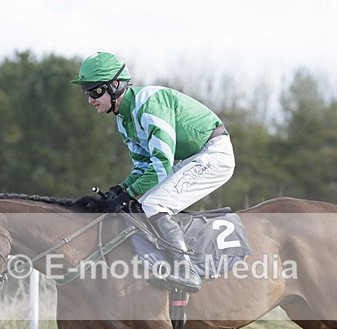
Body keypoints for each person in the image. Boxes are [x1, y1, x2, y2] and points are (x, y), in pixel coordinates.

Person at [71, 52, 235, 293]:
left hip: (215, 154)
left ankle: (186, 270)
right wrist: (121, 189)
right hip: (195, 157)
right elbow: (142, 166)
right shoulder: (123, 120)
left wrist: (128, 194)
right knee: (144, 203)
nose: (90, 99)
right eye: (86, 92)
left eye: (95, 91)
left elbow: (161, 164)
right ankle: (165, 263)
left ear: (115, 85)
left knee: (155, 203)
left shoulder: (149, 105)